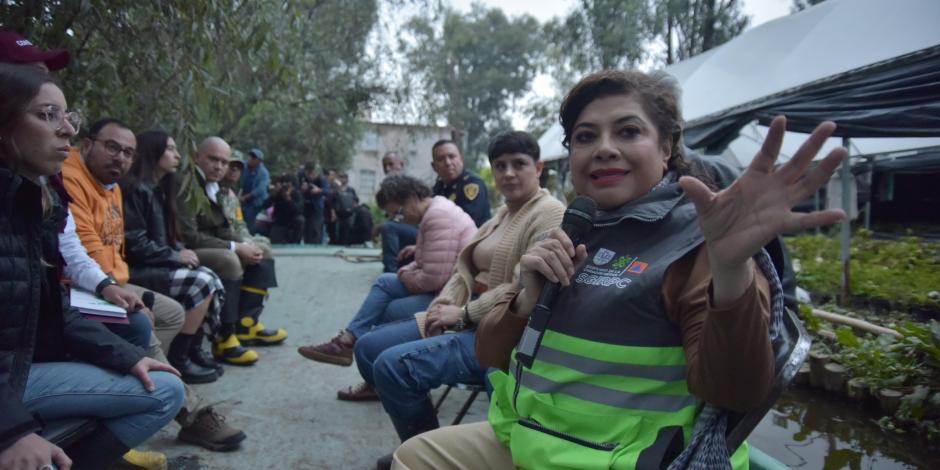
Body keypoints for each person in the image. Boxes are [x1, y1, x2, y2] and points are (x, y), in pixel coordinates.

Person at [391, 70, 848, 470]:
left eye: (628, 132)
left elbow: (736, 393)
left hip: (626, 458)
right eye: (586, 137)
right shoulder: (579, 227)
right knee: (413, 457)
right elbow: (491, 355)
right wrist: (526, 298)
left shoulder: (705, 241)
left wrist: (730, 268)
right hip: (534, 436)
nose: (604, 149)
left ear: (668, 146)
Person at [0, 62, 185, 470]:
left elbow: (52, 308)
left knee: (165, 381)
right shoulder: (60, 188)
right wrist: (11, 431)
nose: (65, 129)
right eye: (47, 115)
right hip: (11, 385)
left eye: (67, 117)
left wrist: (126, 359)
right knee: (145, 318)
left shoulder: (34, 199)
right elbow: (86, 257)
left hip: (23, 368)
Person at [356, 131, 565, 469]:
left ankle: (428, 453)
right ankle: (420, 444)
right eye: (500, 166)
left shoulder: (550, 213)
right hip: (461, 317)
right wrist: (443, 306)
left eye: (519, 164)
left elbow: (525, 288)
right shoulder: (501, 213)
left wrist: (464, 313)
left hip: (496, 332)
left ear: (538, 167)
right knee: (367, 347)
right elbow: (462, 270)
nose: (508, 173)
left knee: (391, 367)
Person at [63, 120, 247, 451]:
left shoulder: (113, 185)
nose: (120, 158)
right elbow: (85, 252)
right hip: (82, 287)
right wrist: (117, 287)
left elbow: (114, 247)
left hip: (109, 281)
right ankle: (188, 411)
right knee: (140, 319)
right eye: (112, 147)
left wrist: (118, 284)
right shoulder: (69, 178)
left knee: (171, 313)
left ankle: (143, 388)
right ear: (87, 145)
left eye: (127, 153)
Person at [298, 174, 477, 401]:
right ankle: (349, 342)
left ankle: (374, 373)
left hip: (455, 296)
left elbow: (433, 280)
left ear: (412, 198)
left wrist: (403, 272)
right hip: (445, 285)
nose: (399, 220)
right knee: (384, 282)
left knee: (390, 309)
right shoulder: (433, 211)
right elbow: (429, 265)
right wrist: (408, 269)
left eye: (399, 213)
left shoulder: (438, 217)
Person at [120, 130, 227, 384]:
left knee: (208, 275)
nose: (177, 155)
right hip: (135, 268)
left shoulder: (158, 189)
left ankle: (192, 350)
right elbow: (134, 243)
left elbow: (163, 236)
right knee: (201, 282)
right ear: (153, 151)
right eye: (170, 149)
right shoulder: (136, 189)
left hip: (153, 261)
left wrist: (178, 251)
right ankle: (180, 359)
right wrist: (174, 255)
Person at [176, 136, 288, 365]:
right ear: (198, 157)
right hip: (184, 248)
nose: (219, 166)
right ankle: (224, 338)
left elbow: (223, 229)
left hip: (207, 244)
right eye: (213, 159)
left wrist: (246, 245)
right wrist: (236, 247)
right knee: (230, 260)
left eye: (224, 162)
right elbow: (190, 236)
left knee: (262, 250)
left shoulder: (214, 187)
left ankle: (246, 325)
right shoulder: (186, 183)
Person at [430, 140, 490, 227]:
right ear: (434, 166)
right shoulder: (438, 187)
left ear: (461, 159)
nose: (448, 163)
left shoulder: (472, 183)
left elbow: (468, 220)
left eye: (452, 156)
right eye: (440, 159)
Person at [219, 152, 272, 249]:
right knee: (262, 249)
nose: (235, 169)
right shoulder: (214, 191)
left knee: (264, 243)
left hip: (256, 204)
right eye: (231, 165)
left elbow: (239, 223)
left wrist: (248, 238)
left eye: (238, 167)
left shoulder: (232, 197)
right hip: (223, 241)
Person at [378, 151, 419, 272]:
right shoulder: (388, 186)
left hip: (419, 230)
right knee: (389, 227)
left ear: (401, 164)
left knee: (388, 228)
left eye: (391, 164)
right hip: (406, 230)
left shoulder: (408, 184)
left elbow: (413, 215)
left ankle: (390, 273)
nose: (387, 168)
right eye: (385, 166)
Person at [265, 174, 305, 244]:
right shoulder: (278, 194)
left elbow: (298, 210)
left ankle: (296, 243)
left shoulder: (297, 194)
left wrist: (288, 199)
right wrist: (274, 194)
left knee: (300, 220)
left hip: (292, 222)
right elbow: (265, 205)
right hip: (279, 222)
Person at [298, 161, 329, 245]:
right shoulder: (301, 177)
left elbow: (327, 191)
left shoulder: (321, 178)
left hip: (316, 207)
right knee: (306, 228)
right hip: (305, 206)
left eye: (312, 173)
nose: (310, 176)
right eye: (308, 173)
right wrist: (302, 189)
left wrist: (319, 190)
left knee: (315, 228)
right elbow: (295, 189)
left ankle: (316, 244)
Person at [239, 148, 269, 234]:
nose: (251, 159)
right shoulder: (244, 167)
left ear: (259, 161)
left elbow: (260, 189)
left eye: (254, 158)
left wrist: (245, 197)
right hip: (243, 200)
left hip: (256, 202)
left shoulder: (263, 173)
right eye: (251, 156)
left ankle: (250, 236)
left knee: (249, 219)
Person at [328, 171, 358, 245]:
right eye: (341, 177)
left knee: (347, 233)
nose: (343, 179)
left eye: (344, 178)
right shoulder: (336, 190)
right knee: (338, 234)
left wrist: (354, 209)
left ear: (347, 179)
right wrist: (333, 214)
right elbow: (332, 203)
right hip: (339, 216)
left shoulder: (351, 190)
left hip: (349, 215)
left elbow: (356, 200)